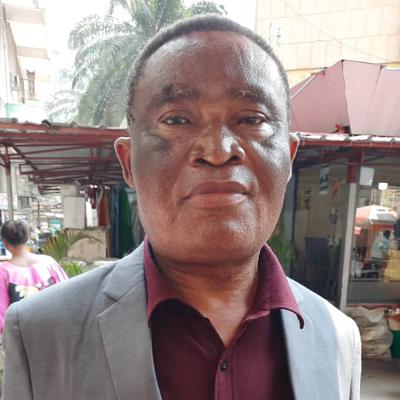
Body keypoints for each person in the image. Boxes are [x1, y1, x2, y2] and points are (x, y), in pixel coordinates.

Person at [2, 15, 361, 400]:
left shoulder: (338, 339)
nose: (218, 150)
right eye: (176, 119)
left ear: (288, 158)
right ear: (129, 163)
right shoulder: (43, 334)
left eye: (251, 118)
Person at [0, 220, 68, 333]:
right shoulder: (49, 263)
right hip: (54, 332)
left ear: (5, 243)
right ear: (28, 237)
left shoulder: (3, 272)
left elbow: (1, 316)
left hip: (21, 336)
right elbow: (68, 295)